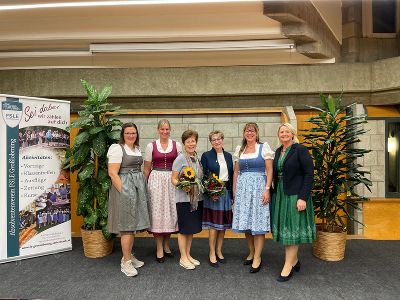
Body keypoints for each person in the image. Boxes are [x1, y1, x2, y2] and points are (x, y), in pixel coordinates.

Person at [271, 123, 316, 282]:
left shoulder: (300, 150)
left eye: (287, 131)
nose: (284, 134)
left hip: (295, 195)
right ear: (279, 135)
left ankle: (287, 265)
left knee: (292, 229)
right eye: (281, 132)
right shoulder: (277, 151)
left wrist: (303, 197)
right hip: (281, 194)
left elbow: (309, 174)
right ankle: (294, 260)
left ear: (292, 133)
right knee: (286, 229)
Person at [107, 122, 150, 277]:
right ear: (123, 135)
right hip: (124, 188)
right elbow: (112, 173)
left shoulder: (136, 149)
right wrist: (124, 192)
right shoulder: (117, 149)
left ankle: (129, 255)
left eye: (133, 133)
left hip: (135, 188)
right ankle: (125, 262)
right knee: (126, 226)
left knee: (132, 224)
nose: (131, 135)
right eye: (128, 133)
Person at [232, 122, 274, 273]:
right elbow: (236, 172)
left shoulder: (264, 148)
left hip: (258, 188)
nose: (250, 133)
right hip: (243, 190)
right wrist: (235, 191)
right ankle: (251, 252)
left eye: (252, 131)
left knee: (258, 223)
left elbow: (269, 170)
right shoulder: (240, 150)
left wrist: (267, 189)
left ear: (256, 133)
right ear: (244, 133)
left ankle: (257, 257)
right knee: (247, 223)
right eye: (247, 131)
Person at [144, 119, 182, 263]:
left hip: (171, 181)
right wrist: (144, 185)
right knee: (157, 214)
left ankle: (166, 245)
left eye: (167, 129)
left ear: (170, 130)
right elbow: (146, 169)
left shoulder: (176, 145)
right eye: (162, 129)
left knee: (170, 213)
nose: (165, 132)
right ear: (158, 130)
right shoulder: (151, 146)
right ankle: (159, 247)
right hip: (156, 181)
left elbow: (180, 165)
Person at [171, 130, 203, 270]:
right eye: (188, 141)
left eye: (193, 141)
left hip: (196, 199)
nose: (191, 143)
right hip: (184, 199)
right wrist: (182, 186)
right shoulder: (180, 159)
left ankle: (188, 254)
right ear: (184, 143)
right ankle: (183, 258)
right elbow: (173, 178)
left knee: (190, 229)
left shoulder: (197, 157)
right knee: (184, 229)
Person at [201, 130, 233, 268]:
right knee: (214, 225)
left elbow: (231, 175)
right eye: (214, 140)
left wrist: (231, 195)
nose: (217, 141)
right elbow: (203, 176)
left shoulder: (228, 156)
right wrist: (210, 192)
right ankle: (212, 252)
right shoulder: (206, 156)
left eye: (219, 139)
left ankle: (219, 250)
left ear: (222, 140)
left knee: (223, 225)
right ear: (211, 142)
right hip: (213, 194)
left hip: (225, 192)